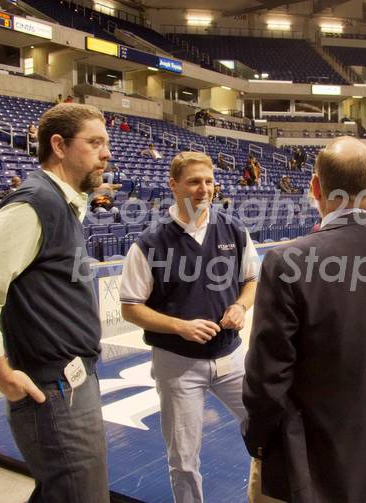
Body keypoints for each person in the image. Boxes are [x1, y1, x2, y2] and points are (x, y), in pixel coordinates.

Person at [243, 137, 366, 503]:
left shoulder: (287, 262)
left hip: (305, 468)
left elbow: (266, 378)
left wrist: (259, 442)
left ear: (315, 187)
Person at [0, 103, 112, 503]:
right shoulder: (34, 203)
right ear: (58, 145)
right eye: (94, 143)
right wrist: (1, 373)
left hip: (68, 384)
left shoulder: (61, 203)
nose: (106, 154)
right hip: (52, 391)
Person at [119, 151, 260, 503]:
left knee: (267, 424)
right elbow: (130, 307)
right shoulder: (150, 243)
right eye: (194, 182)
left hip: (231, 359)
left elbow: (252, 281)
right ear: (174, 186)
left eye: (209, 181)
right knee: (183, 458)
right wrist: (179, 327)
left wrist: (241, 306)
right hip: (178, 365)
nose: (204, 189)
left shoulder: (233, 230)